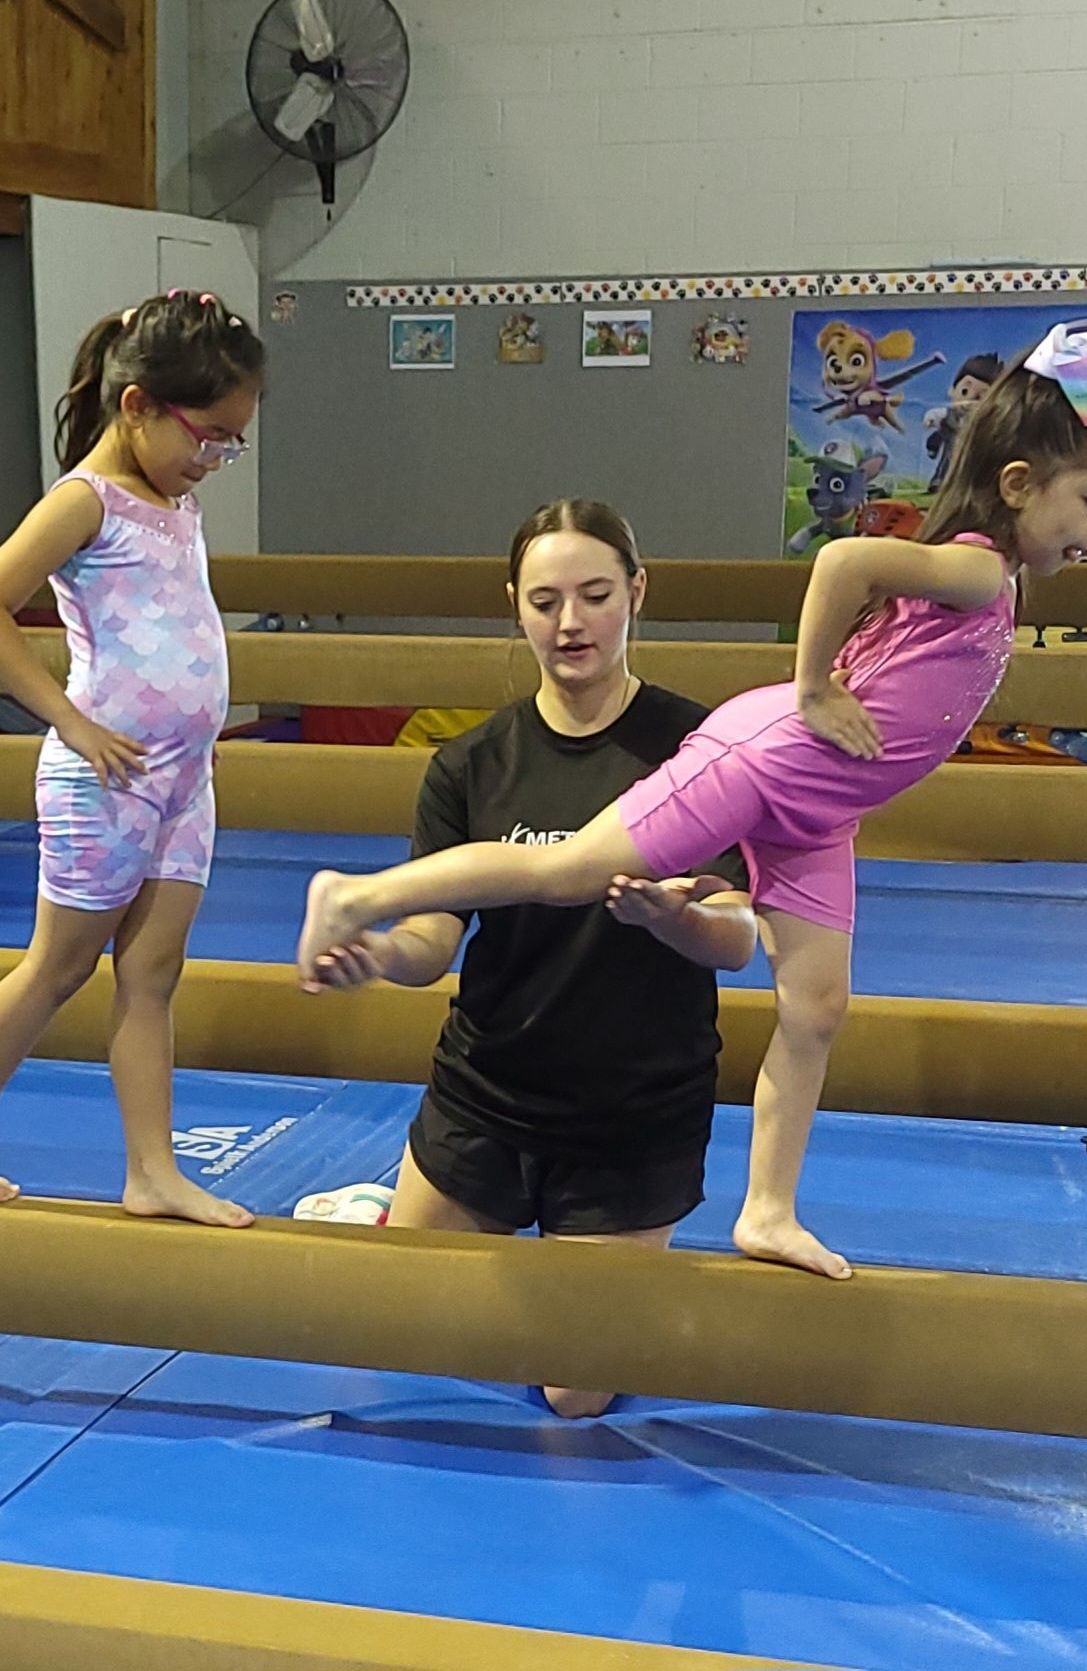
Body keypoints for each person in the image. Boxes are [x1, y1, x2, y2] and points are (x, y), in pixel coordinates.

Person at [299, 322, 1087, 1280]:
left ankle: (769, 1211)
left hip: (819, 809)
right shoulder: (976, 566)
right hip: (769, 759)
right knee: (567, 868)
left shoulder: (997, 578)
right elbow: (840, 563)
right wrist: (817, 684)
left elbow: (735, 930)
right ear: (1020, 482)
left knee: (816, 1006)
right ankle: (361, 892)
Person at [312, 500, 756, 1417]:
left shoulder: (696, 748)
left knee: (574, 1397)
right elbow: (433, 942)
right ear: (513, 604)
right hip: (490, 1093)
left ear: (636, 592)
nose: (569, 623)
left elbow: (740, 938)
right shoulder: (472, 764)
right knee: (407, 1332)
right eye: (544, 599)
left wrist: (671, 921)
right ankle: (381, 1209)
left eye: (594, 595)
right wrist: (379, 956)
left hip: (630, 1115)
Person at [0, 290, 264, 1225]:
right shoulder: (85, 500)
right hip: (104, 772)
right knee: (58, 967)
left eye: (234, 442)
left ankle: (151, 1169)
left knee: (152, 975)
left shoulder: (172, 496)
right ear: (138, 404)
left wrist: (194, 734)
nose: (217, 459)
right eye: (210, 437)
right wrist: (70, 720)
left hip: (183, 778)